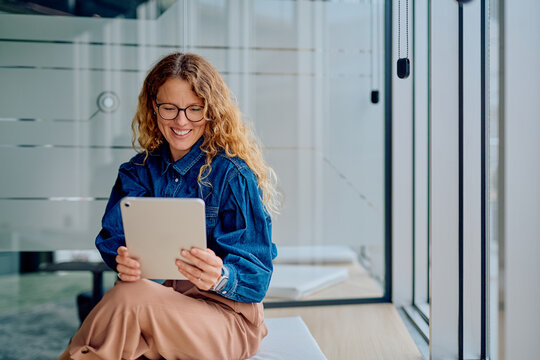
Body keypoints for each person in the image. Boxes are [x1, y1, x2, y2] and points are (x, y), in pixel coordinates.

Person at [59, 52, 279, 360]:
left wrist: (221, 276)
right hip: (161, 305)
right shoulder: (137, 172)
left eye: (194, 109)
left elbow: (257, 278)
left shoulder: (233, 175)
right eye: (170, 108)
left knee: (128, 298)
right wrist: (121, 259)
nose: (181, 121)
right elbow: (112, 240)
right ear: (153, 107)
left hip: (226, 318)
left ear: (211, 111)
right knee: (128, 300)